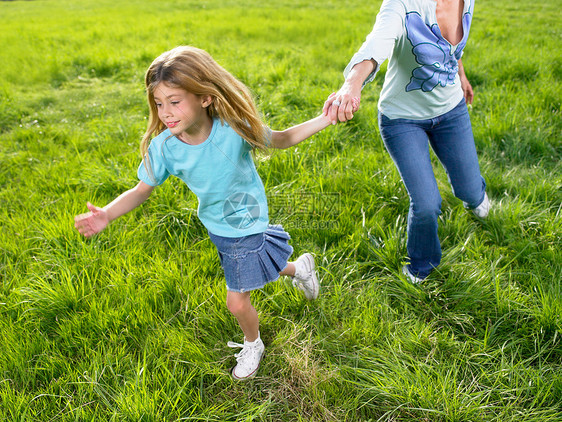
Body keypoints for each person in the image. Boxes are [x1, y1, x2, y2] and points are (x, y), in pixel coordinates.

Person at [74, 46, 339, 380]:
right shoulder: (165, 148)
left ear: (204, 98)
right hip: (217, 224)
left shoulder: (233, 129)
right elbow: (142, 190)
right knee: (256, 265)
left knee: (236, 301)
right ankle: (300, 268)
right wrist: (107, 215)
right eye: (158, 103)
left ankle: (253, 342)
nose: (165, 112)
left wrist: (326, 118)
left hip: (247, 220)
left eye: (174, 101)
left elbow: (282, 139)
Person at [323, 0, 489, 283]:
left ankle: (475, 196)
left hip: (451, 111)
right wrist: (351, 84)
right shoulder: (403, 3)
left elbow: (450, 47)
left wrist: (461, 75)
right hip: (402, 119)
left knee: (472, 193)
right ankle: (420, 266)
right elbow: (378, 41)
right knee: (426, 204)